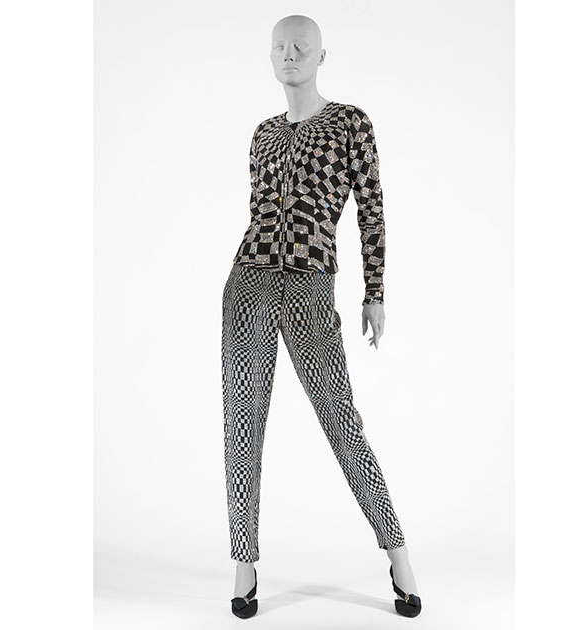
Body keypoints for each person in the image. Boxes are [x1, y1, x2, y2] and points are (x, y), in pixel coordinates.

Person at [222, 14, 421, 619]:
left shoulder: (351, 123)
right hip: (249, 283)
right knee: (241, 422)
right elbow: (258, 210)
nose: (289, 54)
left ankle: (397, 551)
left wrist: (374, 290)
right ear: (270, 57)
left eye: (301, 46)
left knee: (340, 420)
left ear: (321, 55)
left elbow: (371, 209)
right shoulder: (262, 134)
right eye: (279, 47)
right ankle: (244, 561)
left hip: (310, 285)